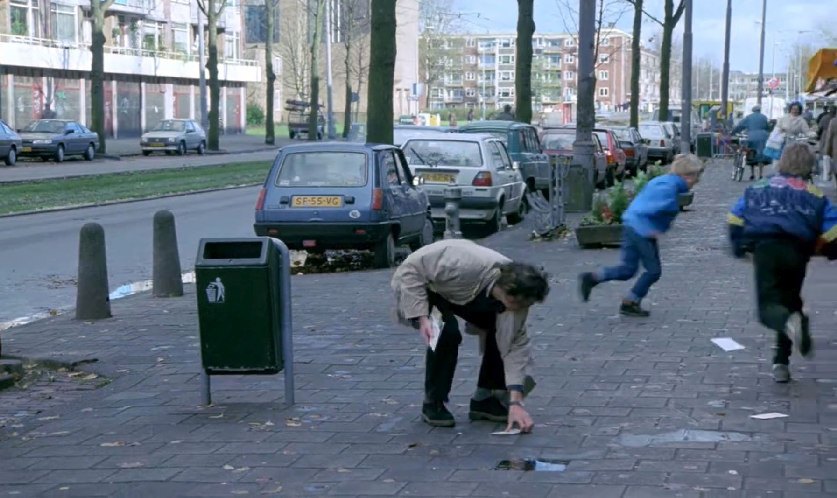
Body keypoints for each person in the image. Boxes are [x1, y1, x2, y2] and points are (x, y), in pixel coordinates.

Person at [391, 239, 550, 432]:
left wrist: (515, 403)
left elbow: (515, 348)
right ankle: (433, 402)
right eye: (521, 304)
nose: (523, 309)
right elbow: (411, 270)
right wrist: (422, 317)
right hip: (424, 288)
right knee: (445, 333)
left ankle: (487, 398)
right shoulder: (463, 265)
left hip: (464, 294)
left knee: (504, 331)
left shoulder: (518, 297)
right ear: (508, 292)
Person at [726, 142, 837, 383]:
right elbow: (834, 229)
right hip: (797, 251)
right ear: (810, 166)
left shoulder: (758, 187)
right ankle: (781, 361)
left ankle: (787, 337)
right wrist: (828, 250)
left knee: (769, 308)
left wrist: (739, 246)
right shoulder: (814, 194)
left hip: (766, 249)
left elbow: (735, 216)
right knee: (789, 300)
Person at [578, 154, 703, 317]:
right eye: (695, 177)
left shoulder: (663, 182)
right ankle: (630, 301)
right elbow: (651, 208)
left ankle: (593, 278)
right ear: (687, 176)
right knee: (653, 271)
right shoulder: (668, 188)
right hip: (641, 230)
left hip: (632, 225)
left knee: (627, 269)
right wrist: (655, 227)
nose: (696, 181)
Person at [732, 105, 770, 180]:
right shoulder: (764, 117)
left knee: (751, 153)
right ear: (759, 110)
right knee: (760, 154)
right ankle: (760, 174)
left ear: (753, 110)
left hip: (751, 136)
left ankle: (752, 174)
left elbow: (740, 126)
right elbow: (767, 127)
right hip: (763, 137)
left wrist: (733, 132)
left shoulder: (749, 117)